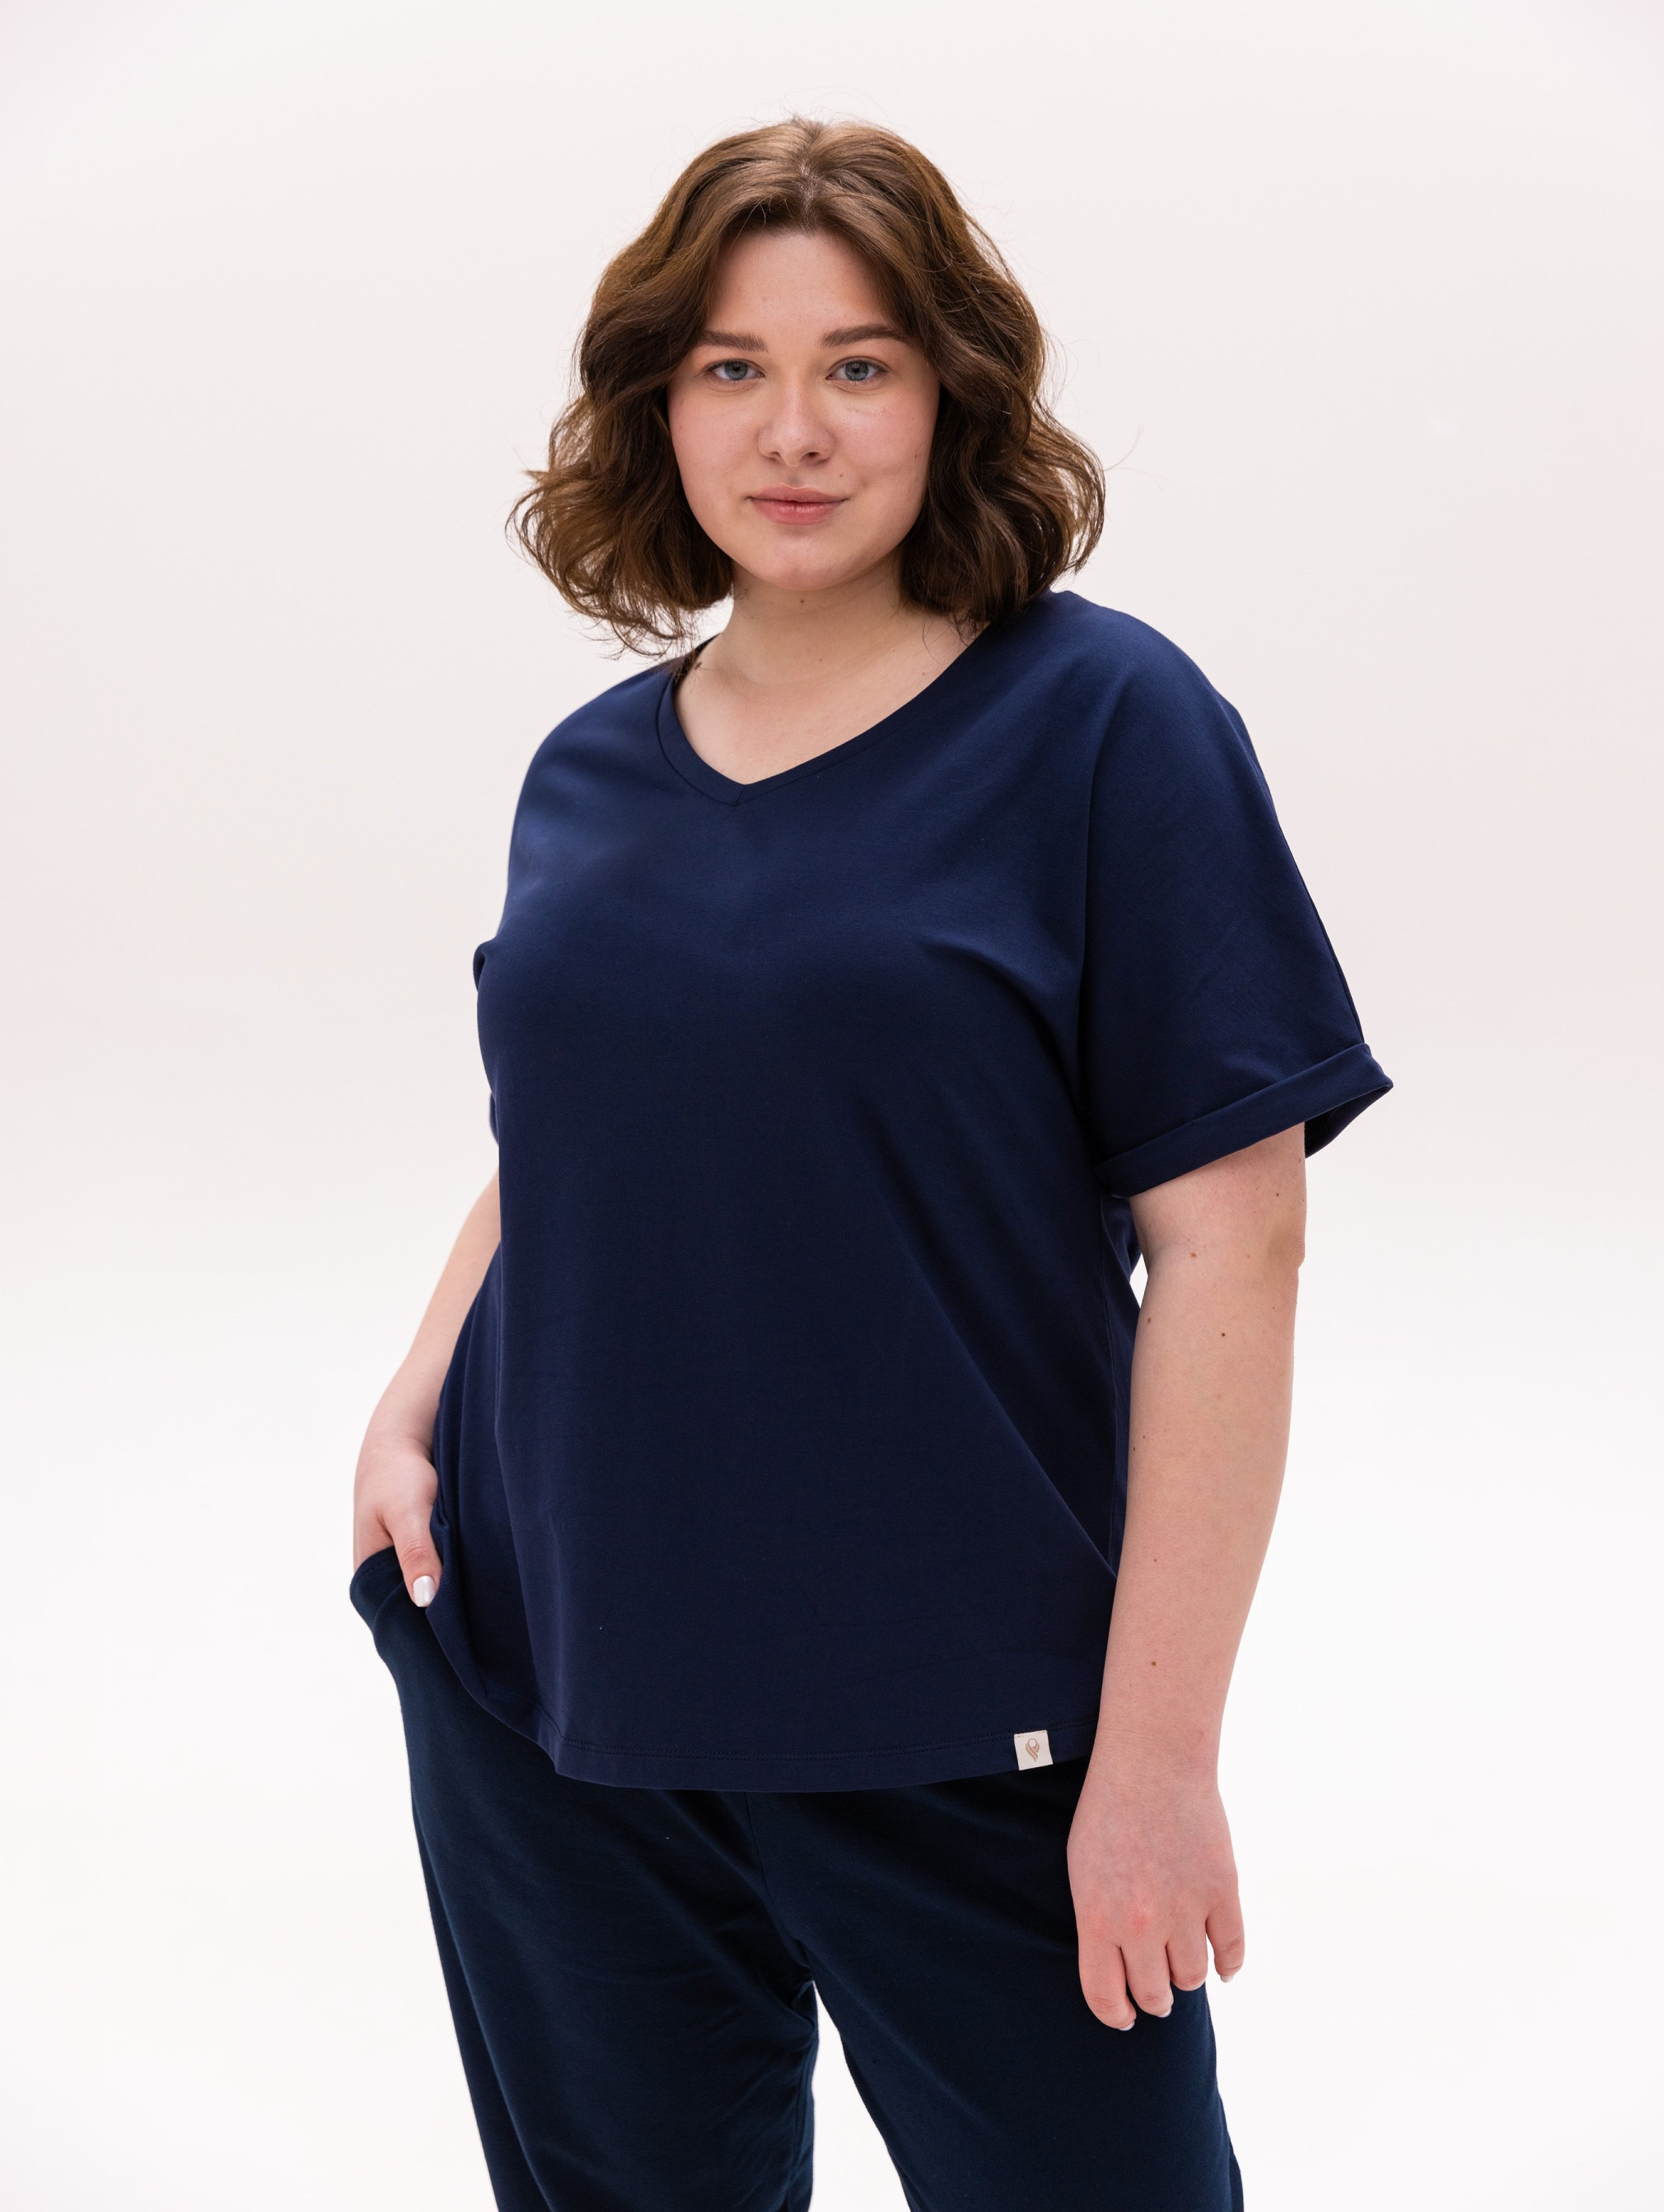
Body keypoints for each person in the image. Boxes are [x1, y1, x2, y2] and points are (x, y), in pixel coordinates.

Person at [351, 117, 1388, 2212]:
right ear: (658, 408)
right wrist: (408, 1405)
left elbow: (1233, 1248)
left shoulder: (1102, 725)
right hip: (548, 1687)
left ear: (951, 395)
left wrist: (1156, 1758)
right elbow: (569, 1137)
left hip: (961, 1719)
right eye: (730, 368)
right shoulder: (590, 771)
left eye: (859, 364)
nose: (792, 429)